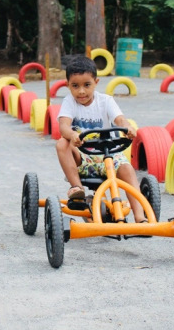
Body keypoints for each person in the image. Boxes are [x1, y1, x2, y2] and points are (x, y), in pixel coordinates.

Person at [56, 55, 146, 223]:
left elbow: (119, 119)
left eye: (87, 85)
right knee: (62, 143)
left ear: (96, 83)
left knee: (128, 169)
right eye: (75, 86)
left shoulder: (105, 101)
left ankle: (140, 216)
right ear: (68, 85)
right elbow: (63, 126)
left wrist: (127, 128)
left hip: (108, 155)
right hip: (83, 156)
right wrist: (72, 135)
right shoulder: (69, 102)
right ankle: (77, 189)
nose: (81, 91)